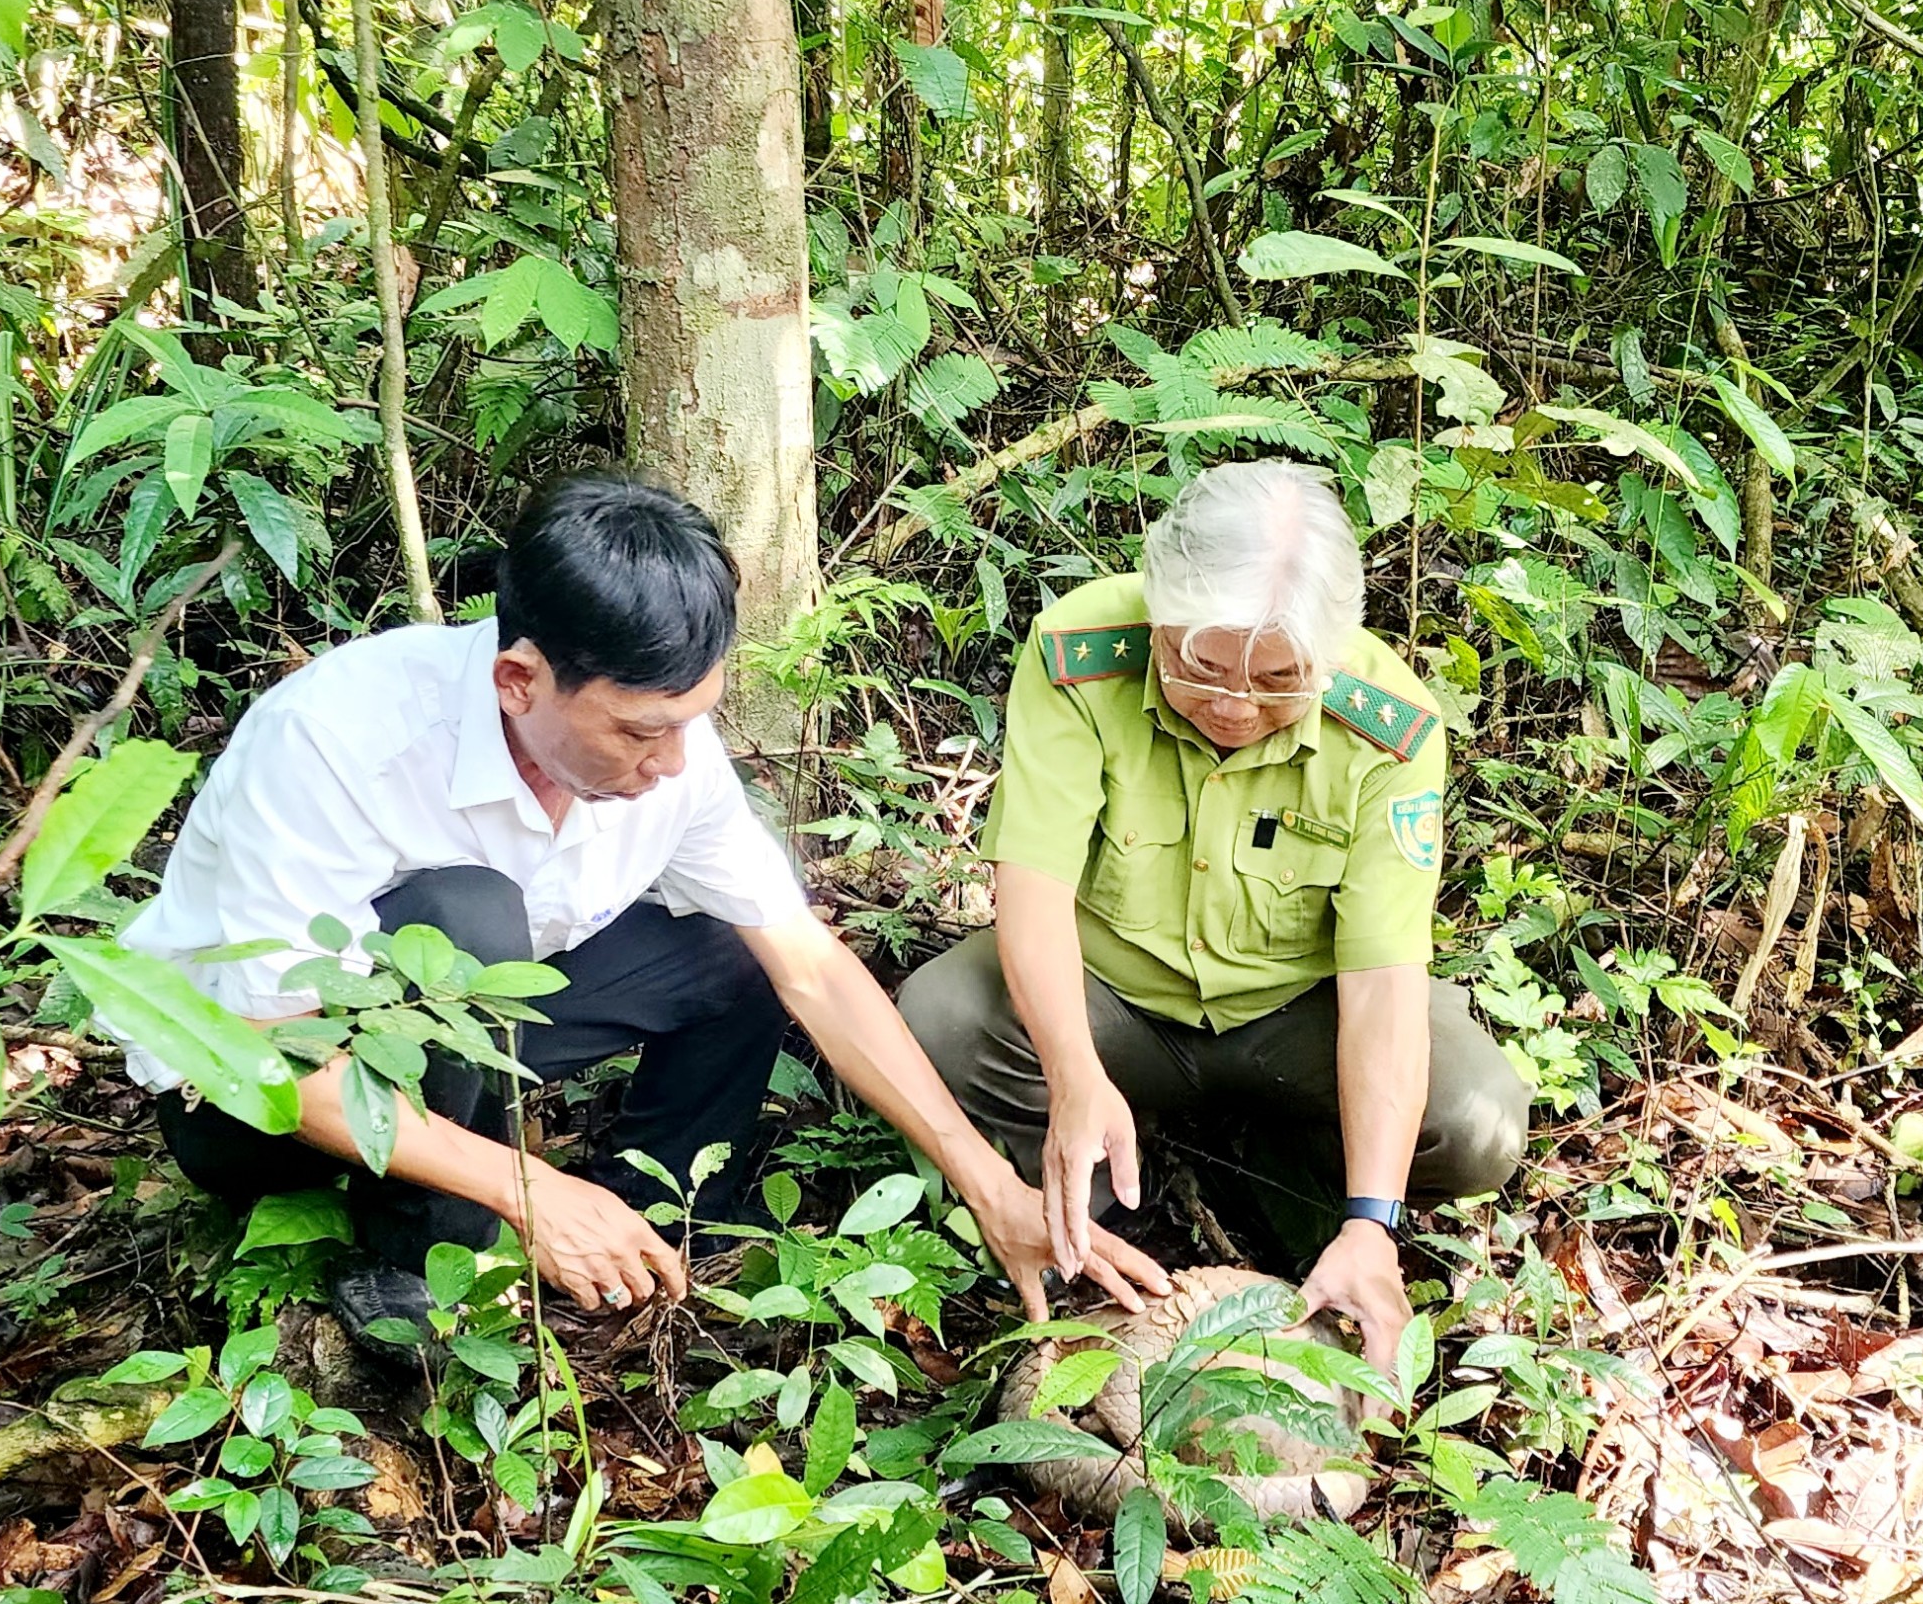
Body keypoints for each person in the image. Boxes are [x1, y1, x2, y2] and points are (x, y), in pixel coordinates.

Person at [120, 472, 1171, 1349]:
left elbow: (807, 962)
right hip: (253, 1099)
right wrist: (527, 1187)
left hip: (479, 1026)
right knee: (464, 917)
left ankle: (661, 1216)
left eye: (691, 721)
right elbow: (260, 1060)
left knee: (732, 949)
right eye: (636, 731)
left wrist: (989, 1184)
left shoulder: (670, 755)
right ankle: (422, 1266)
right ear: (519, 678)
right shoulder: (336, 740)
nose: (670, 763)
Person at [897, 460, 1531, 1374]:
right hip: (1114, 996)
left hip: (1296, 1016)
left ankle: (1307, 1196)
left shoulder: (1391, 725)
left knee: (1474, 1122)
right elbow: (1029, 888)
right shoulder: (1080, 650)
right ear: (1159, 612)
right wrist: (1074, 1076)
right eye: (1200, 665)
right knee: (941, 1024)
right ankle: (1100, 1226)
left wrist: (1374, 1222)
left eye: (1279, 681)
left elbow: (1385, 988)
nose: (1236, 705)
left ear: (1332, 651)